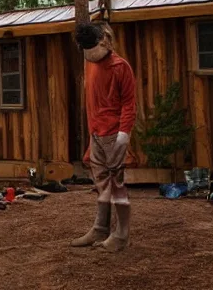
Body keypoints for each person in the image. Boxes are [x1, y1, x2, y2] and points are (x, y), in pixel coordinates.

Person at [71, 21, 136, 252]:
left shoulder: (120, 67)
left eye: (92, 49)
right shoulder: (90, 63)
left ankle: (122, 235)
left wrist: (123, 135)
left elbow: (129, 104)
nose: (89, 55)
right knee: (101, 184)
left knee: (116, 184)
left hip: (113, 135)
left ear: (104, 43)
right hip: (96, 133)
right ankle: (100, 228)